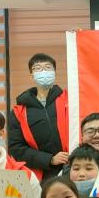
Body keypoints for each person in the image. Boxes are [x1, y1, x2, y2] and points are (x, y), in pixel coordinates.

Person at [7, 53, 70, 181]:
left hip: (74, 167)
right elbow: (16, 148)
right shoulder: (19, 112)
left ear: (54, 73)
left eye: (48, 67)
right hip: (42, 175)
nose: (43, 72)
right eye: (37, 68)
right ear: (31, 75)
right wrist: (50, 159)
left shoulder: (70, 99)